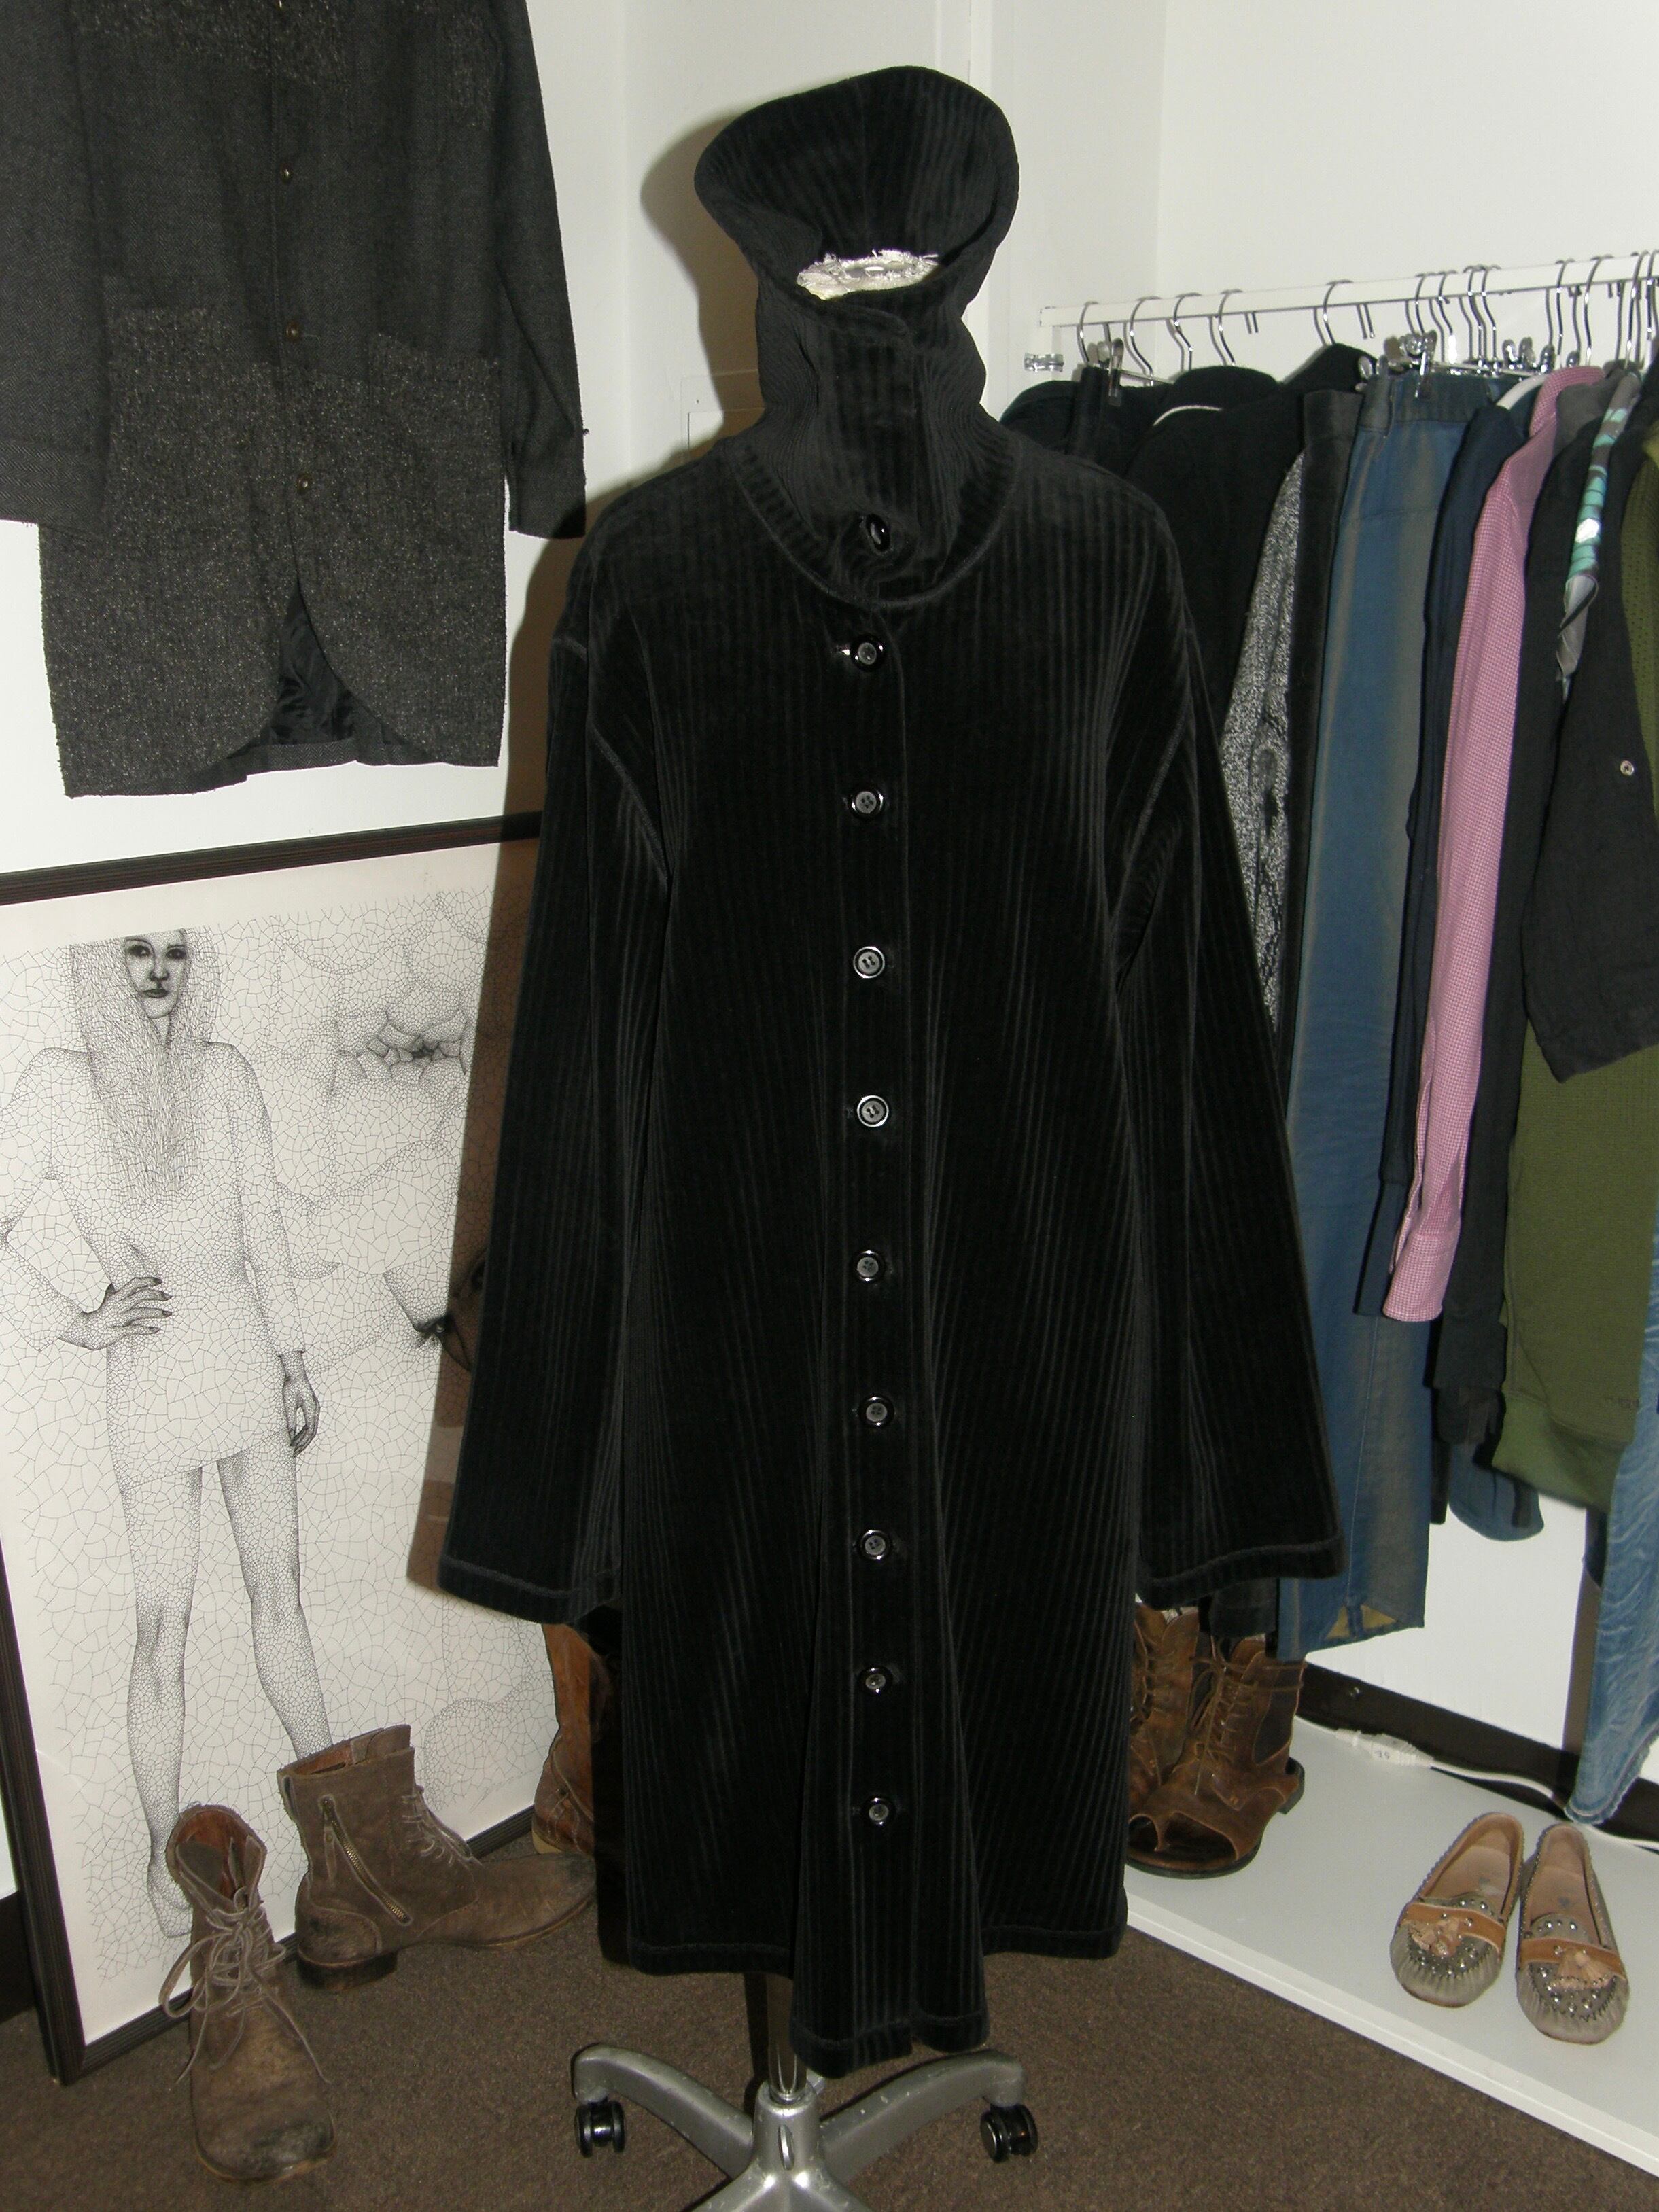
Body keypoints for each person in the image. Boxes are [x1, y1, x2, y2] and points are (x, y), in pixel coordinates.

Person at [0, 929, 329, 1935]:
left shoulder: (224, 1073)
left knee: (281, 1599)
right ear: (101, 967)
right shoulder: (59, 1086)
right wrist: (78, 1321)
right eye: (136, 951)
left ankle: (338, 1825)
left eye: (177, 953)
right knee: (161, 1630)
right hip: (149, 1380)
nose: (157, 971)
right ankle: (165, 1861)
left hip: (244, 1357)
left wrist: (293, 1359)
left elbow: (264, 1228)